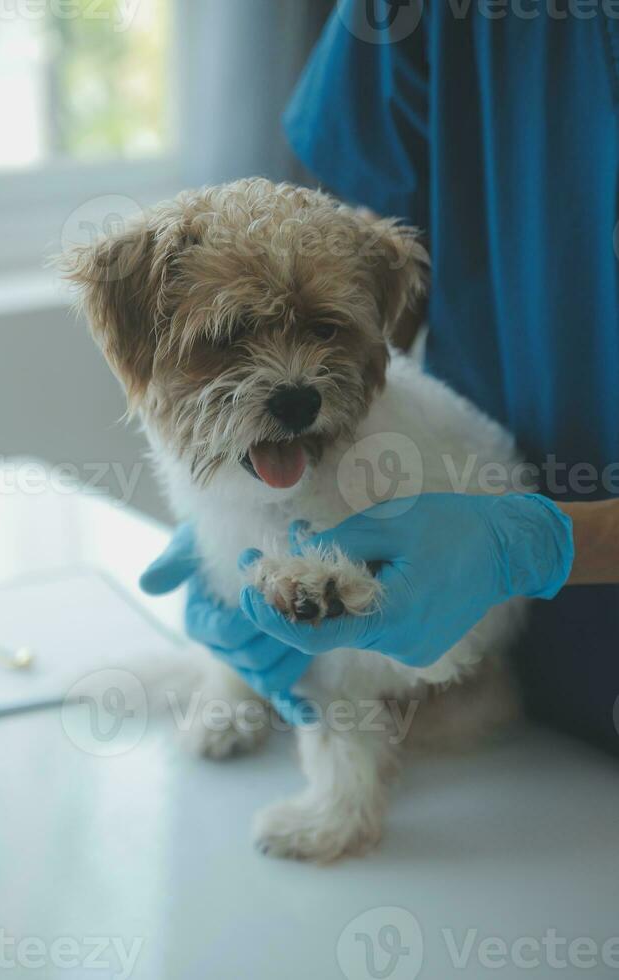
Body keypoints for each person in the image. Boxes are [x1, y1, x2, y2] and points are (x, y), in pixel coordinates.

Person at [142, 0, 619, 755]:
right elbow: (350, 266)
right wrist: (248, 527)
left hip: (490, 590)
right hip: (500, 674)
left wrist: (538, 544)